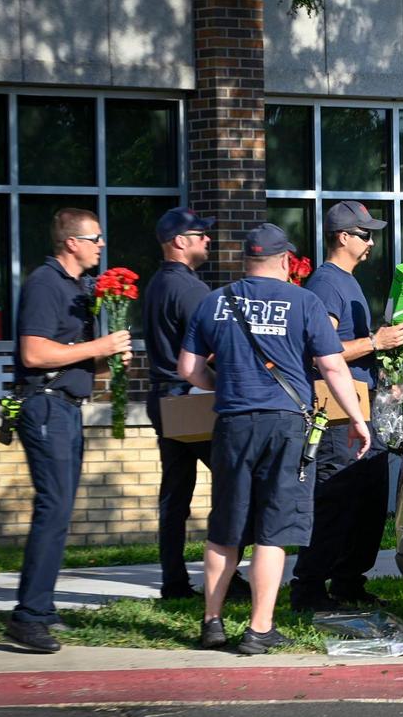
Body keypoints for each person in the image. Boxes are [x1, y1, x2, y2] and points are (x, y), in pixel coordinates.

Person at [179, 223, 372, 655]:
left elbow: (189, 370)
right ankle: (258, 629)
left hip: (231, 423)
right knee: (273, 528)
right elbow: (334, 367)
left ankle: (212, 623)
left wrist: (226, 383)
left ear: (247, 259)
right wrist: (358, 419)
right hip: (286, 424)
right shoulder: (304, 301)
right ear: (286, 260)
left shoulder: (215, 302)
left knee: (226, 528)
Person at [6, 208, 132, 653]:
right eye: (95, 237)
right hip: (44, 406)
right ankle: (27, 616)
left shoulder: (77, 288)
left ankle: (40, 608)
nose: (101, 244)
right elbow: (35, 353)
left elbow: (70, 355)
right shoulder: (45, 284)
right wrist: (101, 345)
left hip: (66, 407)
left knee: (59, 513)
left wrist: (106, 360)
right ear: (72, 243)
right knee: (53, 510)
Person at [289, 201, 403, 611]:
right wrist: (376, 342)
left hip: (364, 407)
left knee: (369, 500)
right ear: (343, 237)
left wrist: (386, 372)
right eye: (365, 234)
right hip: (338, 412)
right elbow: (320, 352)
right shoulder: (325, 284)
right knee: (336, 499)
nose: (371, 241)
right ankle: (308, 587)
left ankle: (348, 582)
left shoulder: (349, 282)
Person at [143, 207, 250, 601]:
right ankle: (224, 575)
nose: (207, 239)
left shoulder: (159, 283)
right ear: (179, 241)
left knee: (176, 493)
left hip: (164, 399)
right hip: (190, 399)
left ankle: (174, 581)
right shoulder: (190, 290)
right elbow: (217, 348)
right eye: (200, 233)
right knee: (238, 483)